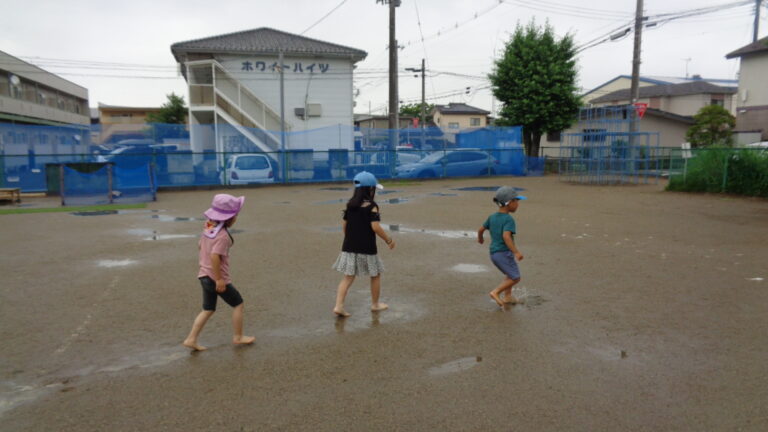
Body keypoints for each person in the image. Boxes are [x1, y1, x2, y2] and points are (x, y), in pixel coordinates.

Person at [183, 194, 255, 351]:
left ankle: (191, 339)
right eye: (235, 215)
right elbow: (215, 257)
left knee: (208, 309)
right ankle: (238, 336)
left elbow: (200, 245)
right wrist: (219, 279)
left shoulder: (208, 227)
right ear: (229, 218)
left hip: (203, 275)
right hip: (215, 278)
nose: (236, 217)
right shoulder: (222, 237)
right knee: (238, 304)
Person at [332, 171, 396, 317]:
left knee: (348, 277)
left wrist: (349, 238)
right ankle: (375, 304)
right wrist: (388, 240)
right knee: (375, 274)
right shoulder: (372, 206)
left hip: (349, 246)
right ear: (370, 189)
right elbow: (376, 227)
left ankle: (338, 306)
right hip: (367, 248)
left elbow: (344, 225)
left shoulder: (350, 205)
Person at [477, 186, 526, 308]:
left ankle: (508, 296)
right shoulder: (508, 219)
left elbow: (481, 229)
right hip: (504, 253)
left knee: (510, 274)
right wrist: (516, 252)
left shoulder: (492, 217)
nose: (518, 204)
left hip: (494, 253)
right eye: (516, 201)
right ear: (509, 203)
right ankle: (496, 292)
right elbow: (506, 237)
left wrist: (480, 238)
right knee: (515, 277)